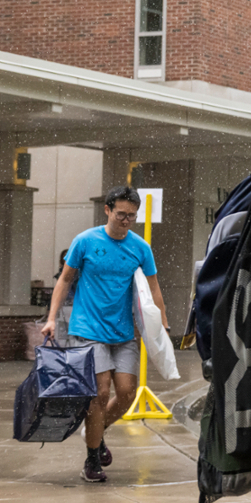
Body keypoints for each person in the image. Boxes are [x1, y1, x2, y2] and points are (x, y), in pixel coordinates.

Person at [42, 186, 169, 483]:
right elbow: (64, 281)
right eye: (121, 214)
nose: (126, 220)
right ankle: (91, 459)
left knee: (126, 394)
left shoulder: (140, 248)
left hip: (123, 332)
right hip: (89, 330)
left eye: (132, 216)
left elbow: (154, 287)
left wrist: (162, 321)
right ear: (108, 210)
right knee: (99, 394)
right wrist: (50, 319)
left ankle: (97, 432)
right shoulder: (85, 241)